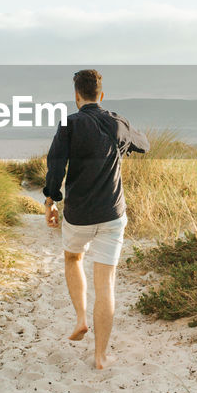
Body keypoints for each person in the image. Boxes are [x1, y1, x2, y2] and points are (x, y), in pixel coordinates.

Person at [43, 68, 149, 369]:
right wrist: (126, 138)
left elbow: (55, 167)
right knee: (107, 286)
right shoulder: (117, 122)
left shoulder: (69, 124)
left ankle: (80, 318)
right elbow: (145, 144)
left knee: (72, 259)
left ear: (77, 96)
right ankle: (101, 356)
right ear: (101, 95)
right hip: (112, 214)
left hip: (78, 215)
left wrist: (50, 201)